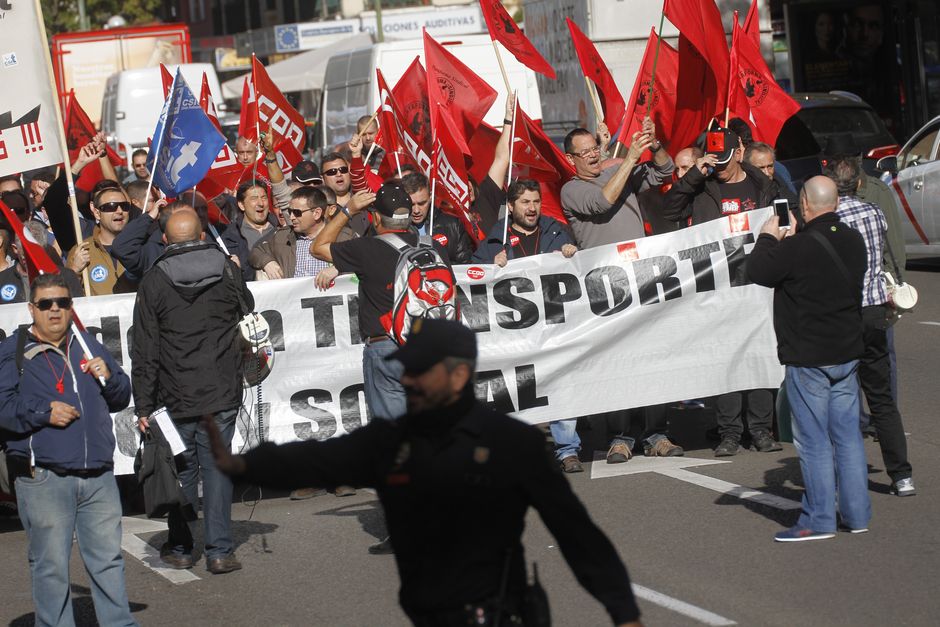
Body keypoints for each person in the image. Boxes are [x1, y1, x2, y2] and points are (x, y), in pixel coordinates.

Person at [204, 319, 643, 627]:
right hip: (425, 613)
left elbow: (577, 534)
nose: (407, 379)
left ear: (458, 375)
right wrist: (242, 465)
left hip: (497, 613)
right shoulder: (389, 441)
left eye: (420, 370)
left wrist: (624, 613)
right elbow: (315, 460)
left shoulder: (513, 444)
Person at [0, 273, 137, 625]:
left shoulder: (88, 343)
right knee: (51, 568)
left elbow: (120, 396)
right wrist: (44, 413)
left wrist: (110, 375)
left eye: (62, 302)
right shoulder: (13, 350)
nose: (55, 310)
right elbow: (3, 408)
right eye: (46, 304)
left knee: (108, 561)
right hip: (45, 477)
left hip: (99, 476)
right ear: (32, 309)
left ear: (71, 307)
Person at [747, 176, 871, 541]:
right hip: (847, 351)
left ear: (803, 203)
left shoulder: (798, 246)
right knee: (848, 437)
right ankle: (857, 514)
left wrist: (770, 236)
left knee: (814, 441)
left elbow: (758, 271)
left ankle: (818, 519)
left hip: (809, 356)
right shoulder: (853, 239)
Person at [132, 209, 254, 574]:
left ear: (165, 241)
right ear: (202, 236)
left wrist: (144, 404)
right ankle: (219, 552)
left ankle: (182, 548)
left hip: (175, 394)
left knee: (180, 473)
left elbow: (145, 349)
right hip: (221, 388)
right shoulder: (226, 268)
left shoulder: (153, 280)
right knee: (217, 470)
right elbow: (247, 309)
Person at [472, 179, 584, 472]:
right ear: (511, 206)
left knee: (561, 384)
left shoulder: (556, 231)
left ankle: (567, 449)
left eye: (536, 201)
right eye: (525, 202)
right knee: (515, 389)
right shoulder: (495, 240)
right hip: (515, 334)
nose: (532, 208)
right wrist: (489, 266)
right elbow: (472, 277)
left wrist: (571, 253)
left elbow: (576, 272)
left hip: (553, 328)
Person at [825, 157, 915, 496]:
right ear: (859, 184)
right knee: (882, 399)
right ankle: (902, 475)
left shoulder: (831, 219)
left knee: (841, 395)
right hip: (875, 311)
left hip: (842, 313)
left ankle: (842, 476)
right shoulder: (874, 213)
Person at [560, 116, 674, 248]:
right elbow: (602, 202)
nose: (593, 155)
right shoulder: (571, 190)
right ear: (570, 159)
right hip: (605, 265)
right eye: (585, 152)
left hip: (639, 260)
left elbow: (665, 170)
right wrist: (630, 159)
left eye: (595, 148)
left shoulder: (616, 171)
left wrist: (654, 144)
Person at [250, 186, 333, 279]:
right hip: (293, 292)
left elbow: (352, 259)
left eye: (297, 212)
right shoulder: (283, 236)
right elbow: (256, 251)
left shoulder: (341, 235)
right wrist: (267, 262)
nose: (292, 217)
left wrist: (338, 268)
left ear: (317, 213)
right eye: (290, 212)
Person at [65, 185, 135, 295]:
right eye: (111, 206)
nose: (120, 211)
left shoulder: (140, 247)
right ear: (97, 213)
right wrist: (75, 270)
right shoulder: (82, 250)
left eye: (124, 206)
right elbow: (66, 295)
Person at [401, 171, 473, 264]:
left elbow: (465, 265)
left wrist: (439, 268)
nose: (416, 210)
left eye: (422, 203)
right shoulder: (396, 227)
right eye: (411, 204)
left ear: (430, 197)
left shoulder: (452, 225)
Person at [221, 181, 279, 281]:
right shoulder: (230, 236)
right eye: (254, 198)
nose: (260, 203)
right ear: (241, 205)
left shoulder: (281, 228)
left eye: (263, 197)